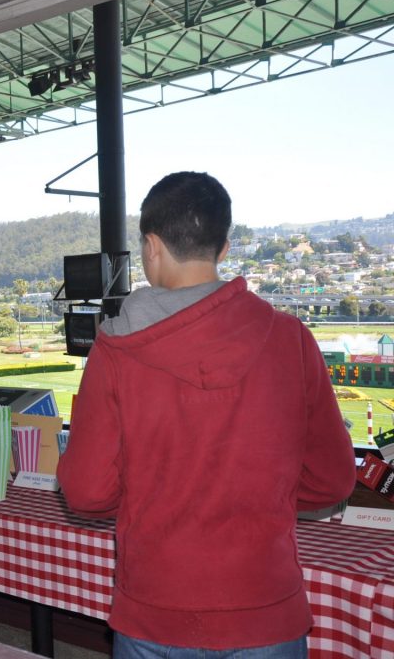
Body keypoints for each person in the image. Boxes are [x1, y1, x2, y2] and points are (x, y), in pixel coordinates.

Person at [57, 172, 356, 658]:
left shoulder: (115, 349)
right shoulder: (290, 339)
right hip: (266, 604)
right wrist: (265, 498)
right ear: (224, 248)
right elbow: (333, 480)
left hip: (155, 607)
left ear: (151, 246)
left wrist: (150, 500)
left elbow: (88, 491)